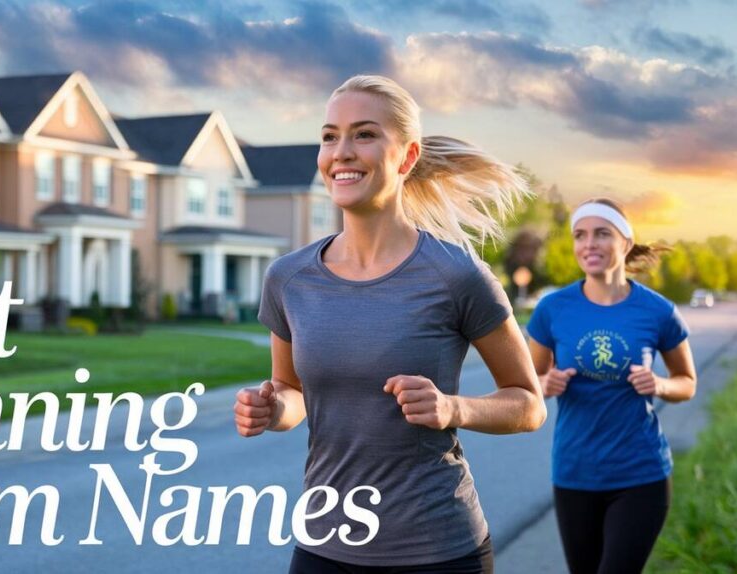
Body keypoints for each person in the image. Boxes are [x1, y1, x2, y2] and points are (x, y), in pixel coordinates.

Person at [233, 74, 547, 573]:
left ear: (406, 157)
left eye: (364, 134)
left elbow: (529, 405)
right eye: (330, 135)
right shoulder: (289, 278)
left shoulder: (456, 275)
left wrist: (453, 408)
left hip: (438, 551)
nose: (341, 151)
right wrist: (270, 410)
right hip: (324, 546)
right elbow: (292, 392)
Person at [526, 198, 698, 574]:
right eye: (580, 235)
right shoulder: (552, 309)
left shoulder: (658, 311)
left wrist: (658, 385)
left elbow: (687, 383)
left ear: (625, 241)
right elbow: (524, 387)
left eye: (602, 233)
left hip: (641, 474)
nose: (589, 244)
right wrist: (545, 383)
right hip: (574, 473)